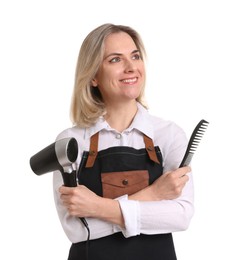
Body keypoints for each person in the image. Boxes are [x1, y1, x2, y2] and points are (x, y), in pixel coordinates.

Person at [53, 23, 194, 260]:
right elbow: (77, 230)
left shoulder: (168, 135)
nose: (131, 68)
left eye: (135, 56)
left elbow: (180, 215)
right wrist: (153, 194)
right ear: (94, 76)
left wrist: (98, 208)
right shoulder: (71, 142)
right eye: (115, 60)